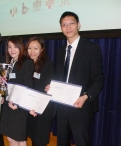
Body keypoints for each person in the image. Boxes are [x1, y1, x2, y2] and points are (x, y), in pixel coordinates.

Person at [45, 11, 104, 146]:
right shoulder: (61, 50)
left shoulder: (91, 49)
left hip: (81, 105)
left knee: (81, 141)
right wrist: (52, 87)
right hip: (62, 104)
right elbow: (60, 76)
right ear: (61, 28)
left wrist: (86, 96)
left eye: (71, 23)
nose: (68, 27)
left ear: (79, 25)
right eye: (64, 25)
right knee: (62, 141)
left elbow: (98, 78)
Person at [0, 36, 34, 146]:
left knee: (19, 138)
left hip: (18, 106)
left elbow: (28, 86)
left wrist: (18, 104)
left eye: (15, 46)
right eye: (9, 47)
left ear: (21, 47)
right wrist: (3, 82)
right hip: (8, 104)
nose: (12, 50)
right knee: (10, 138)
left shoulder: (27, 62)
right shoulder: (10, 63)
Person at [25, 37, 55, 146]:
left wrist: (36, 106)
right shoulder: (27, 64)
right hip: (30, 107)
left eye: (36, 48)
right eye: (29, 48)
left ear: (42, 49)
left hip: (42, 109)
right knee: (33, 137)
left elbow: (47, 90)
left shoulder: (47, 65)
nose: (32, 51)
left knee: (39, 140)